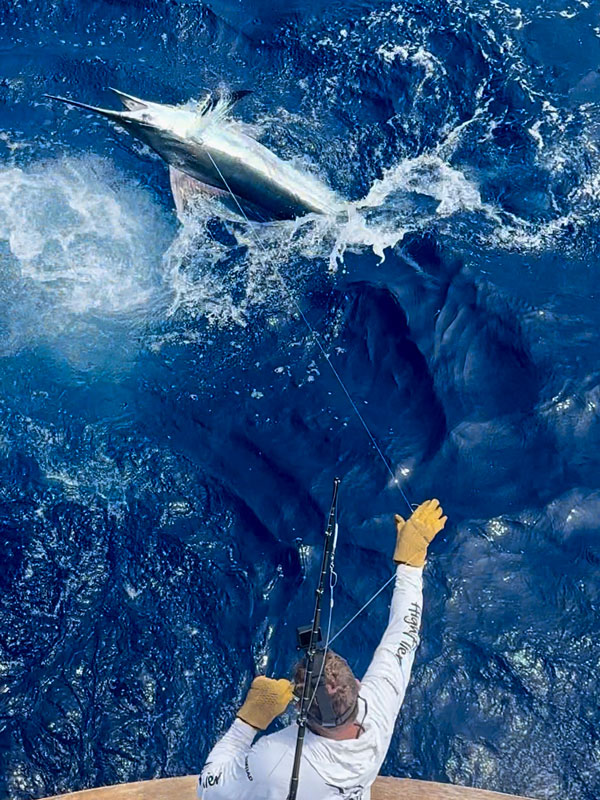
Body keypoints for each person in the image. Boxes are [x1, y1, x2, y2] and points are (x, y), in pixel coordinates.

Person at [198, 498, 447, 800]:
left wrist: (248, 721)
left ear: (299, 710)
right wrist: (410, 565)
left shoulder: (272, 761)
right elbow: (402, 635)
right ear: (357, 687)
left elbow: (208, 787)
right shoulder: (379, 712)